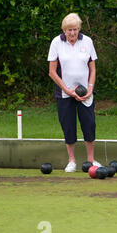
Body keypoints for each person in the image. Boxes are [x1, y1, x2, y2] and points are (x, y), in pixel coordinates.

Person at [47, 13, 102, 172]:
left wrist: (90, 87)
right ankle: (72, 161)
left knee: (89, 124)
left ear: (79, 29)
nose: (72, 33)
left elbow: (92, 67)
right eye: (69, 30)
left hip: (86, 93)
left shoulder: (87, 41)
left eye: (75, 30)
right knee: (68, 125)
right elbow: (52, 71)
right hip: (65, 93)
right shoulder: (56, 42)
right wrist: (66, 90)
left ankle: (90, 160)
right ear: (64, 30)